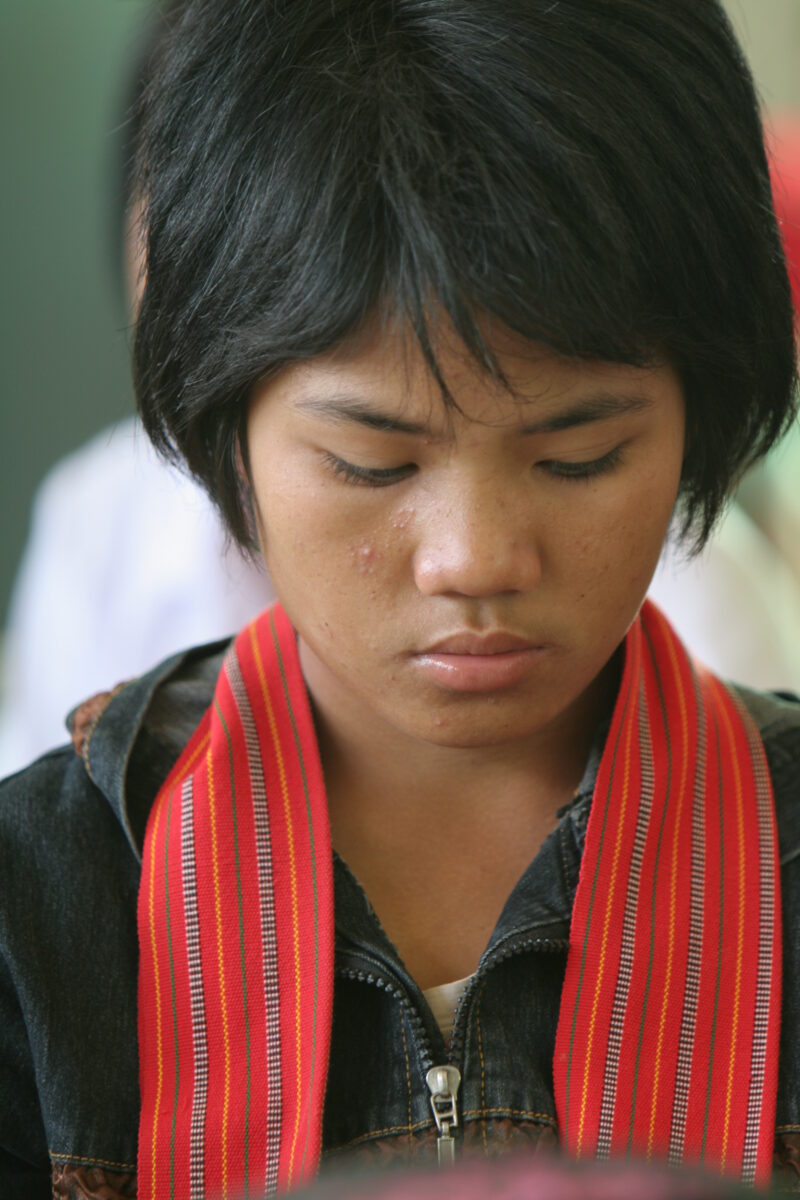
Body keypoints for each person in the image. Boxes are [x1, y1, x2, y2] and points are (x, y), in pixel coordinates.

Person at [1, 2, 799, 1198]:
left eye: (577, 457)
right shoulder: (34, 916)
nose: (473, 559)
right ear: (220, 426)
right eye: (372, 464)